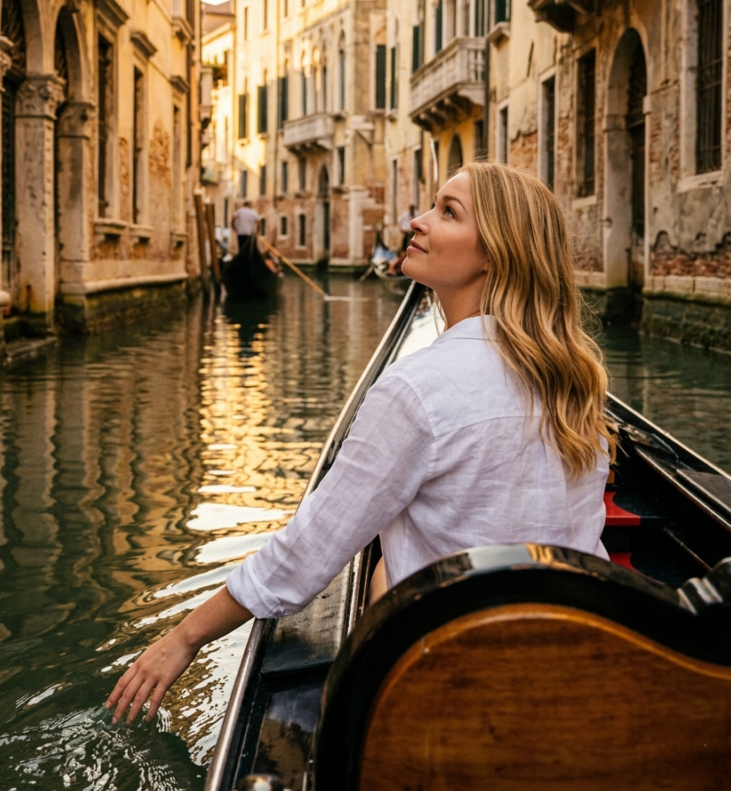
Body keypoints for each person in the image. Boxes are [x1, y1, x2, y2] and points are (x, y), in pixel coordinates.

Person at [107, 162, 613, 725]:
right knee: (384, 571)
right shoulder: (576, 383)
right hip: (581, 659)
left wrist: (183, 638)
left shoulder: (415, 388)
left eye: (447, 212)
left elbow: (302, 560)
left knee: (382, 574)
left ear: (495, 252)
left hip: (458, 683)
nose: (417, 222)